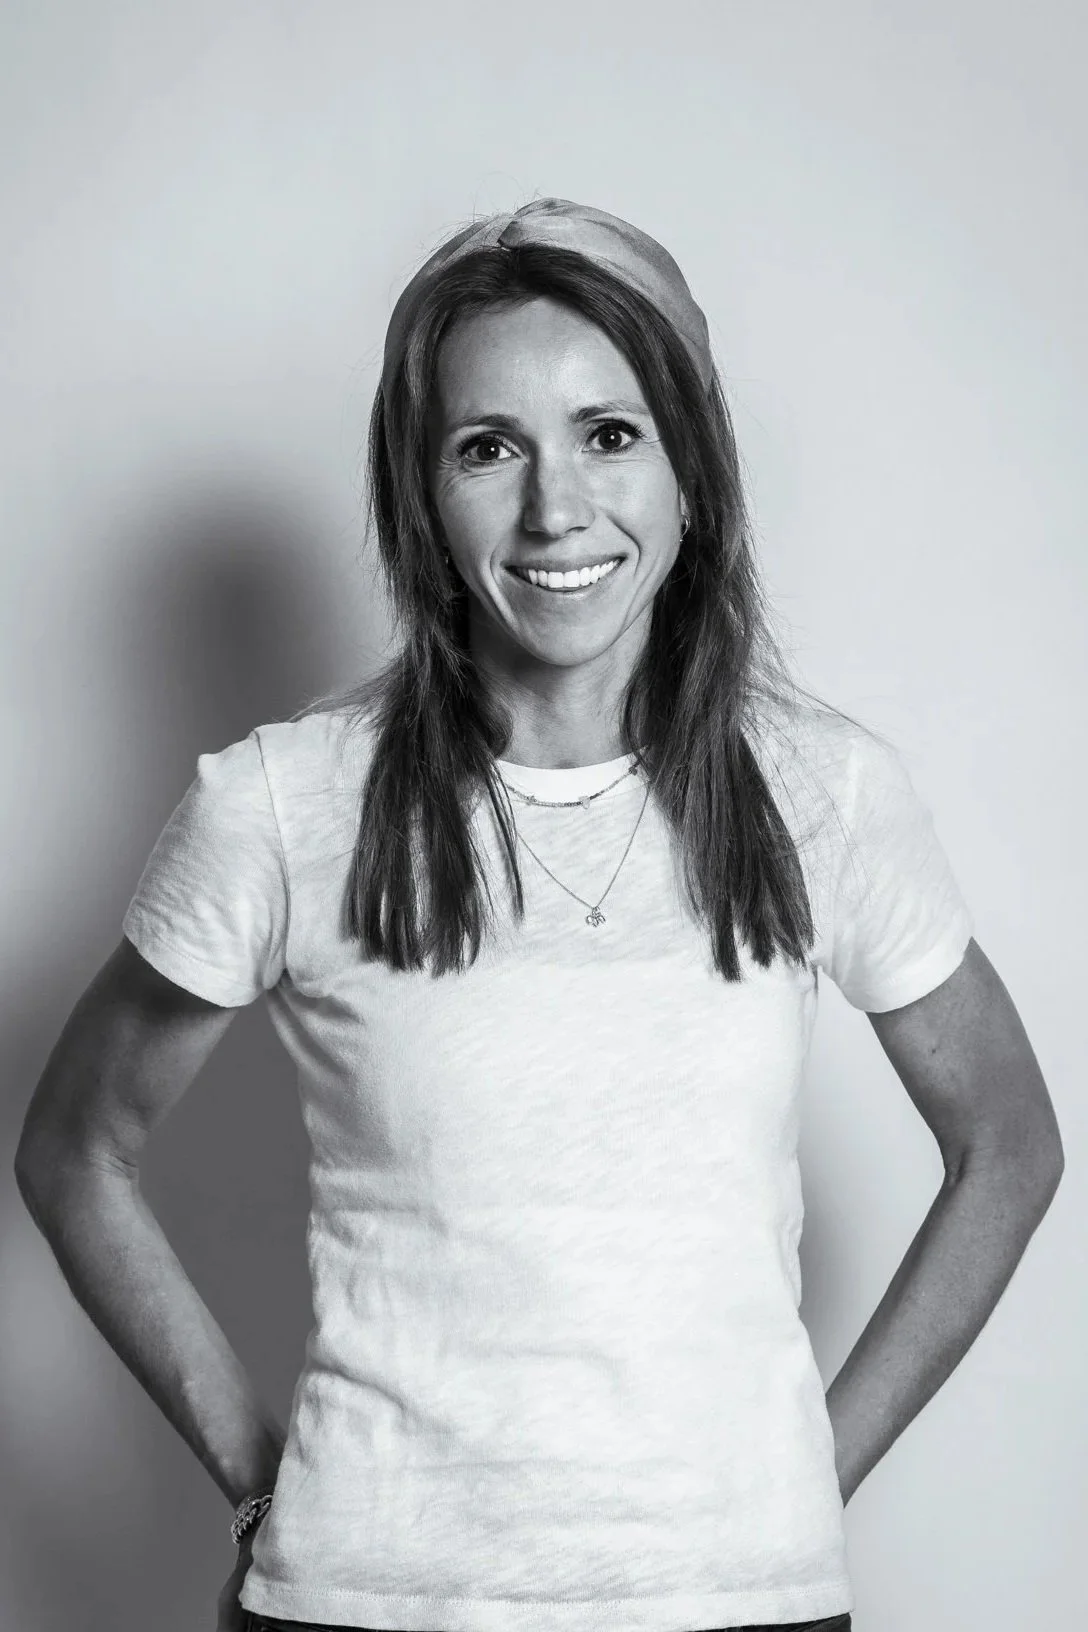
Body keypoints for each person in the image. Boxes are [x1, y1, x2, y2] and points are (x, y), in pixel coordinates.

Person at [14, 198, 1063, 1632]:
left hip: (738, 1603)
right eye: (488, 447)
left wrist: (815, 1470)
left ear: (691, 470)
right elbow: (74, 1150)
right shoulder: (284, 801)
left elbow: (1007, 1142)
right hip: (363, 1606)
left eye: (610, 433)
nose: (556, 507)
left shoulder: (823, 791)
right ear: (422, 498)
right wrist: (262, 1478)